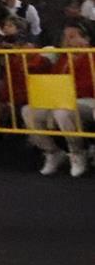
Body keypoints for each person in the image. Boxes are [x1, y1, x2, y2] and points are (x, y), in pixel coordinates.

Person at [19, 22, 94, 177]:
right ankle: (52, 151)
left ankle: (77, 153)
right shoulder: (63, 58)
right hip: (61, 99)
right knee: (28, 111)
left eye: (72, 37)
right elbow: (54, 78)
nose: (67, 41)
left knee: (62, 113)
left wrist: (68, 89)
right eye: (65, 37)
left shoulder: (92, 56)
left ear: (86, 39)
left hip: (87, 100)